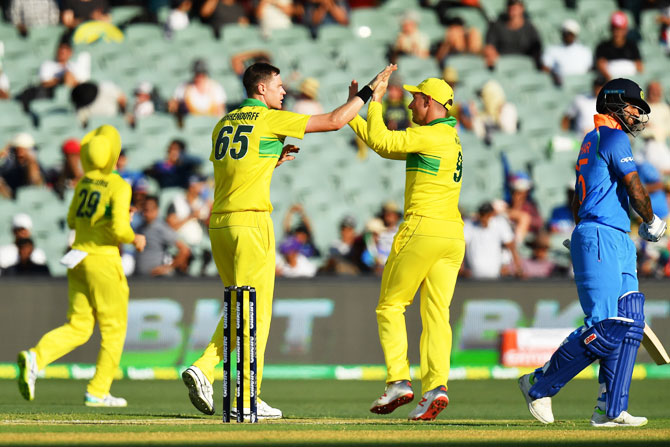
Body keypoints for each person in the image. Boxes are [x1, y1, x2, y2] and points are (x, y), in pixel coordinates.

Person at [181, 61, 396, 419]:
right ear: (261, 89)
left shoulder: (224, 123)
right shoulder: (268, 118)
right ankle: (222, 380)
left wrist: (270, 162)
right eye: (278, 85)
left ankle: (219, 378)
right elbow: (333, 121)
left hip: (219, 224)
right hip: (251, 223)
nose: (283, 91)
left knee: (238, 309)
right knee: (255, 313)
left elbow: (234, 169)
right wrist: (370, 91)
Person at [519, 78, 665, 427]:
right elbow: (633, 185)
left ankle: (611, 409)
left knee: (631, 321)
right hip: (602, 235)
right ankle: (539, 384)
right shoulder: (612, 137)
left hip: (612, 236)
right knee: (606, 326)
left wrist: (580, 227)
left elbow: (578, 195)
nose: (637, 113)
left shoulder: (595, 139)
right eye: (633, 106)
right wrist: (652, 220)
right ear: (615, 104)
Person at [348, 75, 465, 421]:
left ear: (430, 102)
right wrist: (352, 112)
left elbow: (383, 143)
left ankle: (399, 379)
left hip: (422, 229)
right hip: (452, 236)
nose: (411, 104)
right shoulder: (449, 137)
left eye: (416, 99)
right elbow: (381, 142)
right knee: (436, 315)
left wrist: (375, 100)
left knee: (390, 306)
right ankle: (436, 388)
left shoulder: (428, 135)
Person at [16, 125, 146, 407]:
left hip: (78, 257)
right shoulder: (119, 184)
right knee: (114, 329)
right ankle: (98, 391)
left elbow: (74, 221)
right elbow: (120, 230)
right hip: (103, 260)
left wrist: (114, 218)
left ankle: (36, 357)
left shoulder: (84, 182)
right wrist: (135, 237)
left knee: (78, 325)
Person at [134, 195, 191, 276]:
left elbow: (184, 250)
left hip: (156, 281)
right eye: (144, 210)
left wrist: (168, 268)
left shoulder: (161, 228)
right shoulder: (140, 227)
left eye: (149, 210)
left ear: (156, 210)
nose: (146, 213)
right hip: (139, 278)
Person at [462, 201, 521, 278]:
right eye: (483, 215)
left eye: (487, 215)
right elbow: (462, 246)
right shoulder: (469, 225)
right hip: (473, 276)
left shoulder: (500, 224)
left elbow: (511, 246)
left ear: (492, 215)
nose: (484, 218)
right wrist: (461, 269)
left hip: (495, 275)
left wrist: (518, 268)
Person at [483, 0, 542, 70]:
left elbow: (536, 50)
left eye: (515, 8)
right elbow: (490, 47)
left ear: (522, 9)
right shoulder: (497, 26)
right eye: (511, 8)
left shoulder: (530, 28)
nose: (513, 12)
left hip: (524, 65)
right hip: (502, 64)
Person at [541, 19, 592, 87]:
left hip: (582, 86)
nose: (568, 36)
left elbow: (588, 71)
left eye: (570, 33)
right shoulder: (552, 50)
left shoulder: (585, 51)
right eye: (566, 33)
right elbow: (546, 69)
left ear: (575, 34)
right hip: (561, 87)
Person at [594, 11, 643, 80]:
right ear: (610, 29)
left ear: (625, 30)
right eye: (614, 28)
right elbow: (601, 65)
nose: (617, 32)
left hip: (630, 83)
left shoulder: (632, 46)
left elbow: (639, 66)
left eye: (620, 29)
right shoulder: (603, 47)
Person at [0, 133, 45, 199]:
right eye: (17, 150)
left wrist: (31, 162)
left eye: (23, 150)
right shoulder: (10, 171)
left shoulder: (37, 167)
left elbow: (38, 184)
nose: (20, 154)